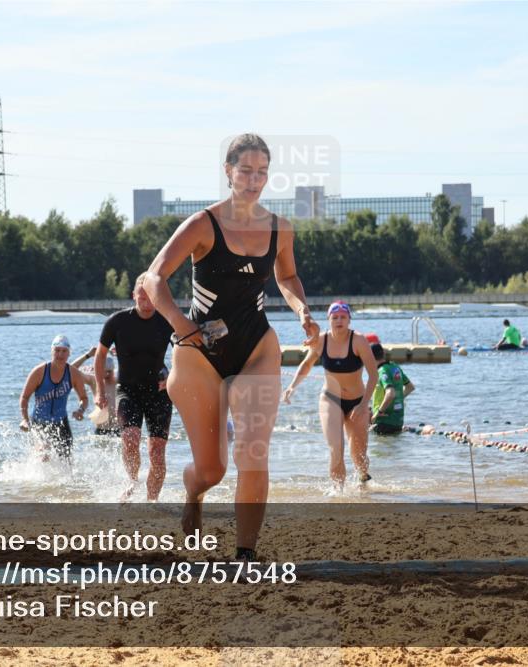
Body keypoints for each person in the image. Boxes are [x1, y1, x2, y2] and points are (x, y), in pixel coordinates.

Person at [144, 133, 318, 561]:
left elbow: (287, 277)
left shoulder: (279, 228)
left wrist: (302, 310)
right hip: (198, 353)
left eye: (262, 172)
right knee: (212, 470)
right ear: (228, 171)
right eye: (246, 171)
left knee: (253, 451)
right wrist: (182, 326)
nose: (254, 180)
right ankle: (193, 494)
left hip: (256, 346)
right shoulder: (203, 224)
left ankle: (246, 555)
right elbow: (153, 278)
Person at [95, 273, 174, 501]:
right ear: (134, 296)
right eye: (141, 297)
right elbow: (100, 356)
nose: (146, 302)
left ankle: (152, 502)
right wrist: (100, 390)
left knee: (156, 451)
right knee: (130, 438)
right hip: (128, 391)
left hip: (159, 392)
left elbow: (185, 350)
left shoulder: (167, 320)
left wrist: (172, 377)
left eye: (150, 297)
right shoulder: (117, 322)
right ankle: (131, 480)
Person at [283, 301, 377, 487]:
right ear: (328, 320)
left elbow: (374, 375)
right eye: (335, 317)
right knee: (336, 448)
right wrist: (292, 386)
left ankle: (363, 482)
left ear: (349, 319)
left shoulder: (358, 340)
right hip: (330, 399)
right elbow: (307, 364)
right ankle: (338, 492)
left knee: (359, 455)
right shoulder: (321, 340)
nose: (339, 321)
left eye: (343, 317)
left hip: (358, 401)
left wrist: (363, 404)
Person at [19, 335, 89, 459]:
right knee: (43, 453)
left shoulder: (74, 374)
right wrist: (25, 419)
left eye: (64, 351)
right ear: (52, 351)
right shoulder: (39, 372)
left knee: (67, 461)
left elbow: (84, 398)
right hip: (39, 422)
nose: (60, 354)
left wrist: (81, 410)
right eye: (57, 350)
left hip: (61, 423)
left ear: (69, 353)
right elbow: (24, 397)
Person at [368, 337, 415, 436]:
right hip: (398, 422)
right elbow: (410, 387)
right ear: (383, 354)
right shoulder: (395, 367)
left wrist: (378, 412)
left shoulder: (381, 371)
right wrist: (398, 399)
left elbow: (390, 394)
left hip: (384, 422)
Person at [72, 346, 120, 436]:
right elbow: (70, 370)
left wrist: (121, 354)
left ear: (113, 370)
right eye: (105, 371)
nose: (107, 374)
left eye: (110, 372)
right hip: (100, 430)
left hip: (118, 430)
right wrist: (88, 355)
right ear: (99, 371)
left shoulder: (118, 379)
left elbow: (138, 368)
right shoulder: (93, 381)